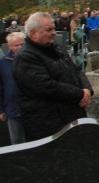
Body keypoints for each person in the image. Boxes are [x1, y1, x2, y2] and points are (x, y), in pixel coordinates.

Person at [13, 13, 93, 141]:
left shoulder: (57, 48)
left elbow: (76, 70)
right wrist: (79, 94)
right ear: (33, 33)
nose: (54, 33)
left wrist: (87, 90)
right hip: (50, 126)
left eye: (54, 28)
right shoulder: (25, 58)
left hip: (71, 117)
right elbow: (47, 87)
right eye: (49, 30)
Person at [0, 32, 26, 144]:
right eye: (16, 45)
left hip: (31, 108)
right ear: (9, 46)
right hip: (12, 108)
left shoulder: (32, 60)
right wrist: (1, 110)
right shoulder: (3, 63)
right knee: (16, 140)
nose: (20, 47)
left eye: (22, 44)